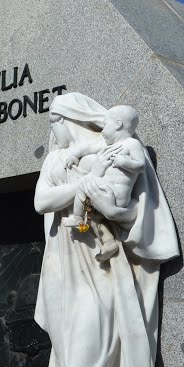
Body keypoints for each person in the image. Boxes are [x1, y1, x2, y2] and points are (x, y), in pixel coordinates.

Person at [32, 93, 179, 367]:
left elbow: (138, 216)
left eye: (53, 123)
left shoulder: (116, 154)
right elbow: (42, 201)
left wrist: (106, 199)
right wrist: (81, 188)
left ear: (68, 119)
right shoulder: (58, 161)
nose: (50, 132)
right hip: (61, 277)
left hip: (99, 276)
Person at [61, 106, 146, 262]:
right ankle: (108, 242)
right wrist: (74, 155)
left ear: (118, 124)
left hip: (116, 195)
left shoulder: (131, 144)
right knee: (92, 212)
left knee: (85, 183)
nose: (102, 131)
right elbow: (88, 148)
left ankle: (78, 217)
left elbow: (140, 165)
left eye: (105, 126)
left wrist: (124, 161)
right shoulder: (108, 145)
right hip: (105, 191)